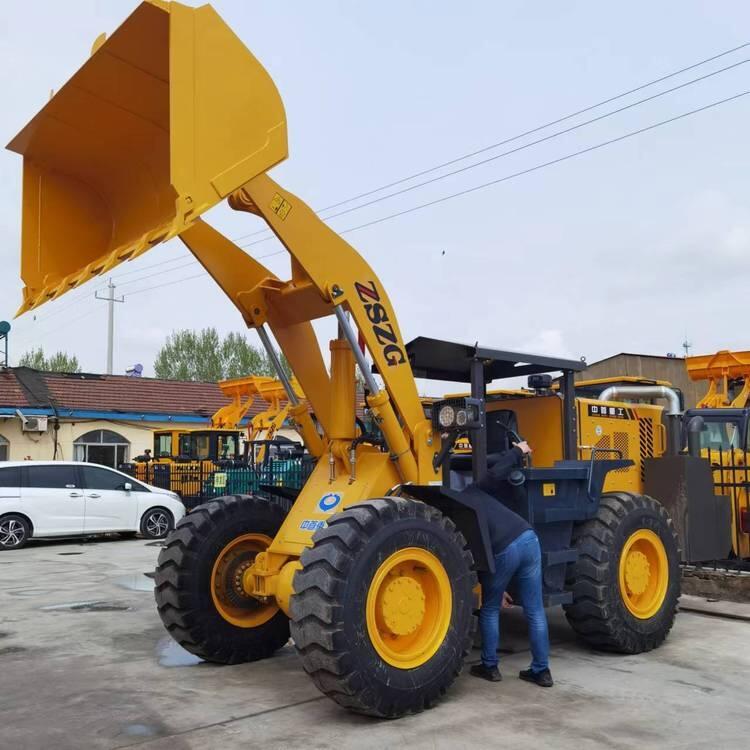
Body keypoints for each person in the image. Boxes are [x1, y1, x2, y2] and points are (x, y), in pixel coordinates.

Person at [468, 440, 553, 687]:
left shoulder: (464, 499)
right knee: (535, 610)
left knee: (491, 608)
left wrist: (492, 586)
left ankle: (490, 666)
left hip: (505, 547)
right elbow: (498, 472)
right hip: (529, 538)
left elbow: (478, 552)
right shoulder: (482, 492)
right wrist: (517, 452)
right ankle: (541, 670)